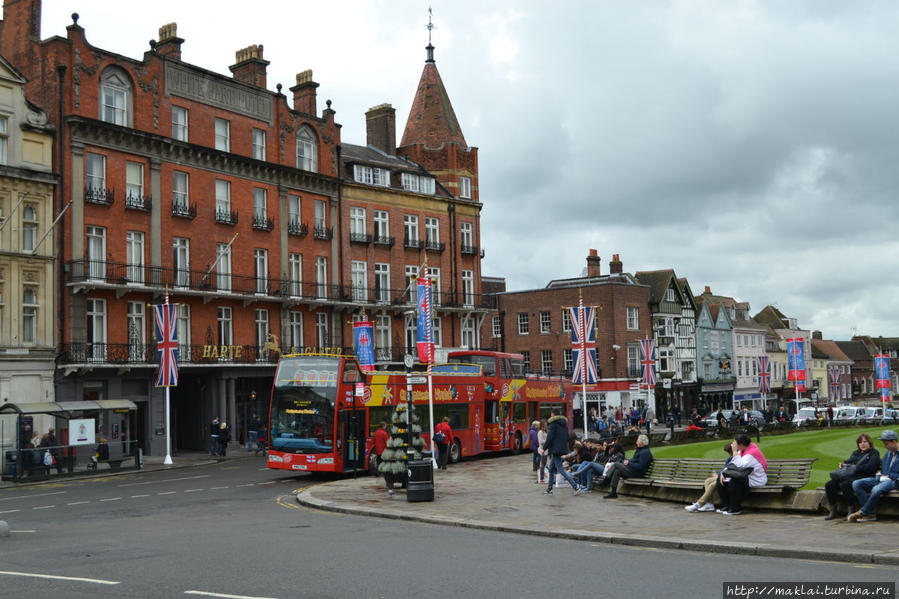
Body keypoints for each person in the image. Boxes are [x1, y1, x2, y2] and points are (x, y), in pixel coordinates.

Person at [824, 433, 880, 520]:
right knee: (829, 485)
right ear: (858, 444)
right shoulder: (856, 453)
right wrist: (843, 464)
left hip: (865, 476)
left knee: (845, 484)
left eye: (865, 441)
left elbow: (871, 467)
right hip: (852, 475)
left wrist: (855, 467)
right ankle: (833, 511)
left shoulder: (874, 453)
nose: (863, 444)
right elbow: (849, 461)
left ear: (869, 443)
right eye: (860, 442)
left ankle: (851, 509)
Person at [848, 430, 899, 522]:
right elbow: (885, 469)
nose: (884, 446)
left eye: (886, 444)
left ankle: (863, 512)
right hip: (882, 479)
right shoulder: (888, 454)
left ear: (894, 441)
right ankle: (870, 513)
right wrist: (881, 474)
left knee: (876, 489)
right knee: (857, 483)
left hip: (894, 481)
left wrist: (889, 475)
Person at [715, 434, 767, 515]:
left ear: (741, 445)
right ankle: (727, 505)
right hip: (745, 476)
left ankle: (735, 508)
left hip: (756, 479)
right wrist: (723, 472)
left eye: (734, 442)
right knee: (720, 480)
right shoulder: (743, 450)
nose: (732, 444)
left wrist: (735, 451)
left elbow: (739, 465)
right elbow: (732, 463)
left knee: (735, 481)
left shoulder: (752, 453)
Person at [598, 434, 653, 499]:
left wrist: (629, 462)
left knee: (616, 464)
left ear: (642, 443)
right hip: (632, 471)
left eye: (637, 440)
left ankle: (606, 480)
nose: (636, 442)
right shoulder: (640, 450)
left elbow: (640, 467)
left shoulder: (645, 453)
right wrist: (628, 461)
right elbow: (634, 460)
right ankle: (613, 492)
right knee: (617, 471)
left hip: (637, 474)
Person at [542, 408, 583, 495]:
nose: (551, 415)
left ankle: (575, 486)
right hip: (561, 449)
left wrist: (544, 448)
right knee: (551, 468)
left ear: (553, 414)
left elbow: (550, 437)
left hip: (555, 449)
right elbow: (567, 436)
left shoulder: (553, 424)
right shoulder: (564, 424)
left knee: (561, 469)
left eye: (551, 414)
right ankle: (549, 489)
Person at [685, 443, 734, 512]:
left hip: (730, 478)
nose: (729, 454)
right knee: (708, 480)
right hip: (724, 476)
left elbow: (729, 470)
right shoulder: (731, 457)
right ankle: (709, 504)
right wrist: (719, 475)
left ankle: (698, 504)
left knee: (713, 484)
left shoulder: (736, 457)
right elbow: (725, 469)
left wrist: (719, 475)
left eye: (730, 452)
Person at [537, 419, 549, 483]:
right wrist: (548, 441)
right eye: (545, 424)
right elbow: (540, 441)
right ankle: (542, 478)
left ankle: (543, 477)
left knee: (544, 464)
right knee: (542, 464)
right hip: (542, 450)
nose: (547, 426)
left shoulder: (545, 432)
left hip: (546, 450)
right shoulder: (540, 432)